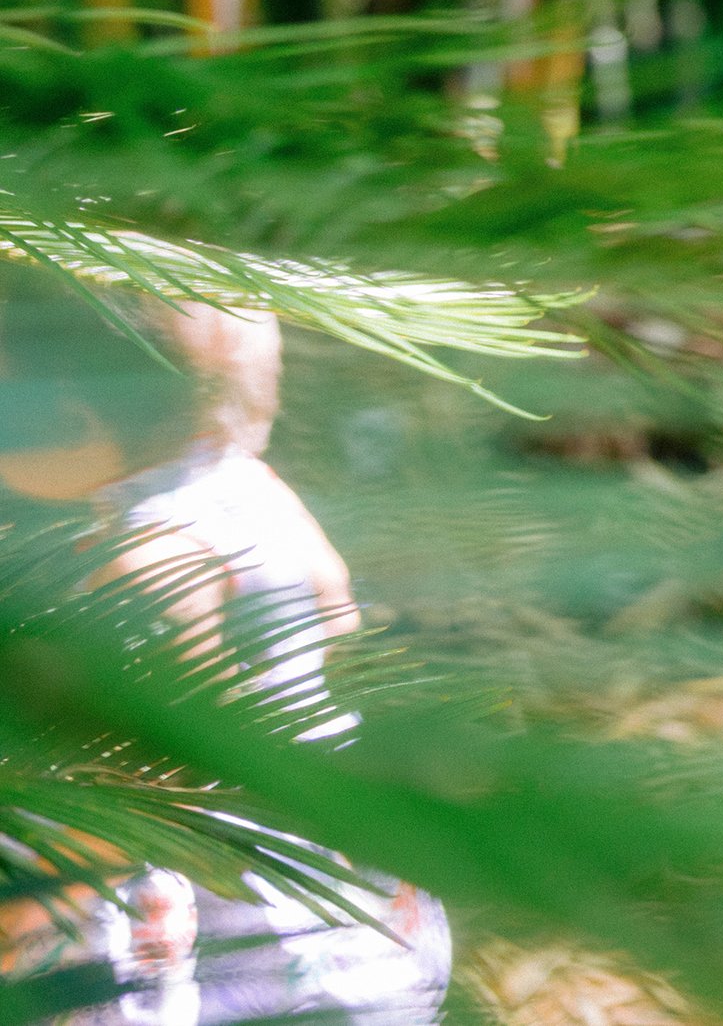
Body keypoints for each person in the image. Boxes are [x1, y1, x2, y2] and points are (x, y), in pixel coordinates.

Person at [0, 282, 452, 1026]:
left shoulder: (148, 568)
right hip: (325, 862)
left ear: (75, 423)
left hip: (229, 921)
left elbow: (134, 794)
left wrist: (33, 916)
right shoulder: (253, 488)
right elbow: (337, 621)